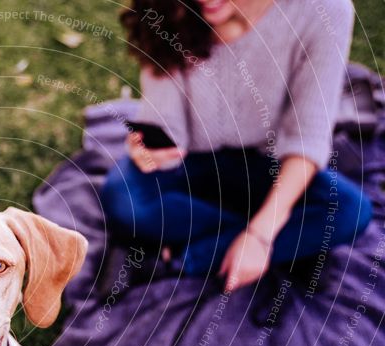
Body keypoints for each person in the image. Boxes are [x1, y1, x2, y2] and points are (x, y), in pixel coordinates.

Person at [102, 0, 372, 291]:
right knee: (123, 198)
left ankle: (176, 261)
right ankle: (293, 241)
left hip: (267, 164)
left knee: (348, 211)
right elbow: (167, 126)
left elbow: (309, 136)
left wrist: (260, 235)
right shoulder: (169, 5)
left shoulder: (325, 10)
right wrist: (153, 149)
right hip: (194, 160)